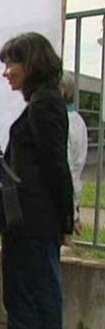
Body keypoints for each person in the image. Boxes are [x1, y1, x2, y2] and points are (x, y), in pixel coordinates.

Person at [0, 32, 73, 329]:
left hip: (32, 226)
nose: (6, 72)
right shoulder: (43, 102)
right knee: (38, 307)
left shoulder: (44, 104)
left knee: (28, 309)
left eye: (11, 63)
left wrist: (64, 224)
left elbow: (56, 166)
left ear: (30, 63)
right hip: (32, 225)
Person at [60, 71, 88, 238]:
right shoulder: (78, 121)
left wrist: (72, 213)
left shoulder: (63, 122)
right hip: (71, 196)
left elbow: (66, 169)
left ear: (62, 90)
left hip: (61, 203)